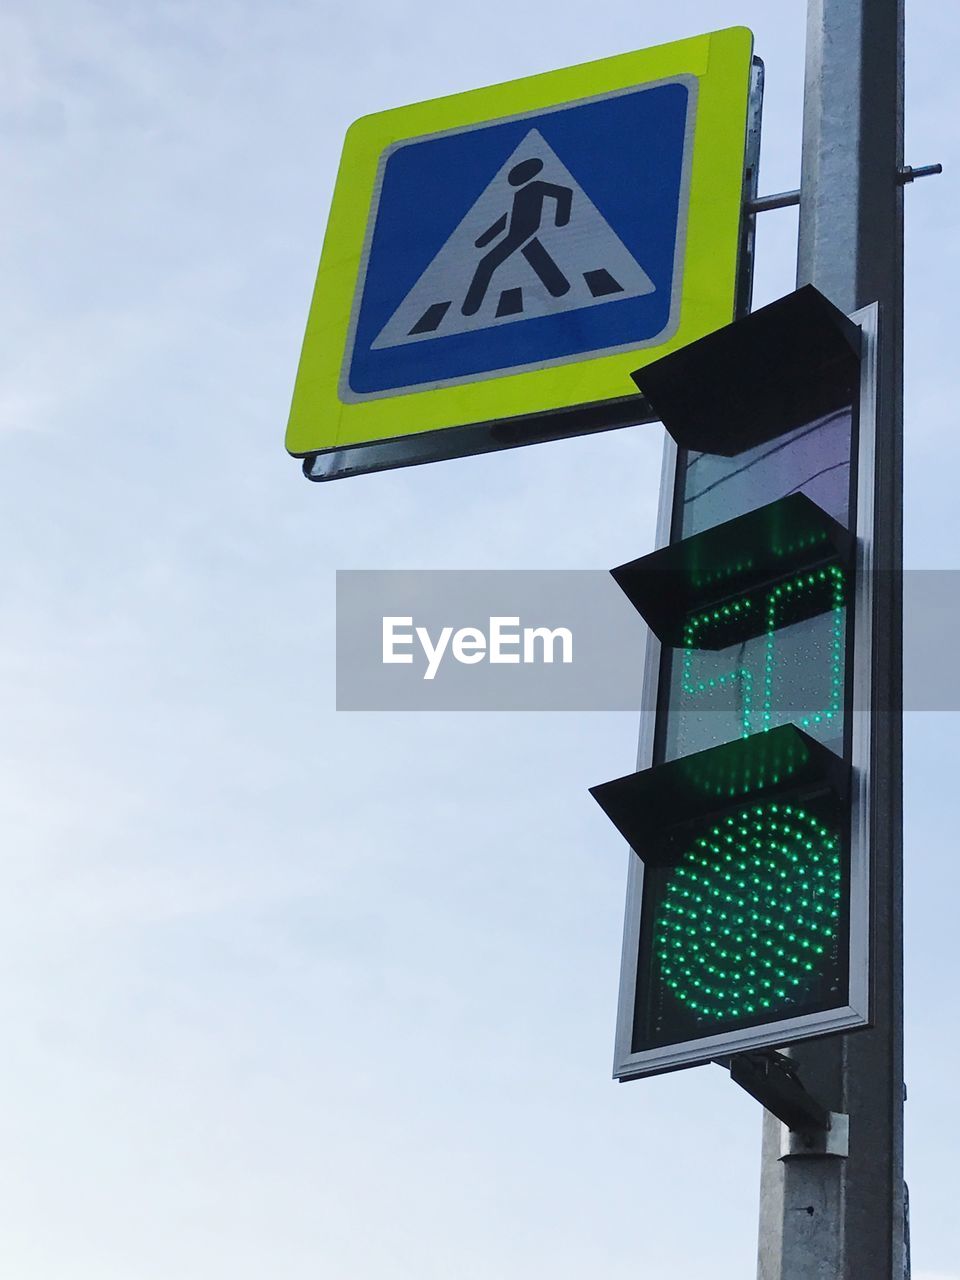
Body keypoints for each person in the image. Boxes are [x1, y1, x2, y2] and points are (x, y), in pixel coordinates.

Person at [461, 157, 573, 317]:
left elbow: (564, 193)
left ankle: (470, 308)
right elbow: (505, 221)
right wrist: (483, 240)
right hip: (519, 232)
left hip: (525, 231)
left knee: (487, 263)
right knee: (538, 258)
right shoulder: (519, 194)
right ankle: (560, 288)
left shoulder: (537, 186)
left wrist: (561, 220)